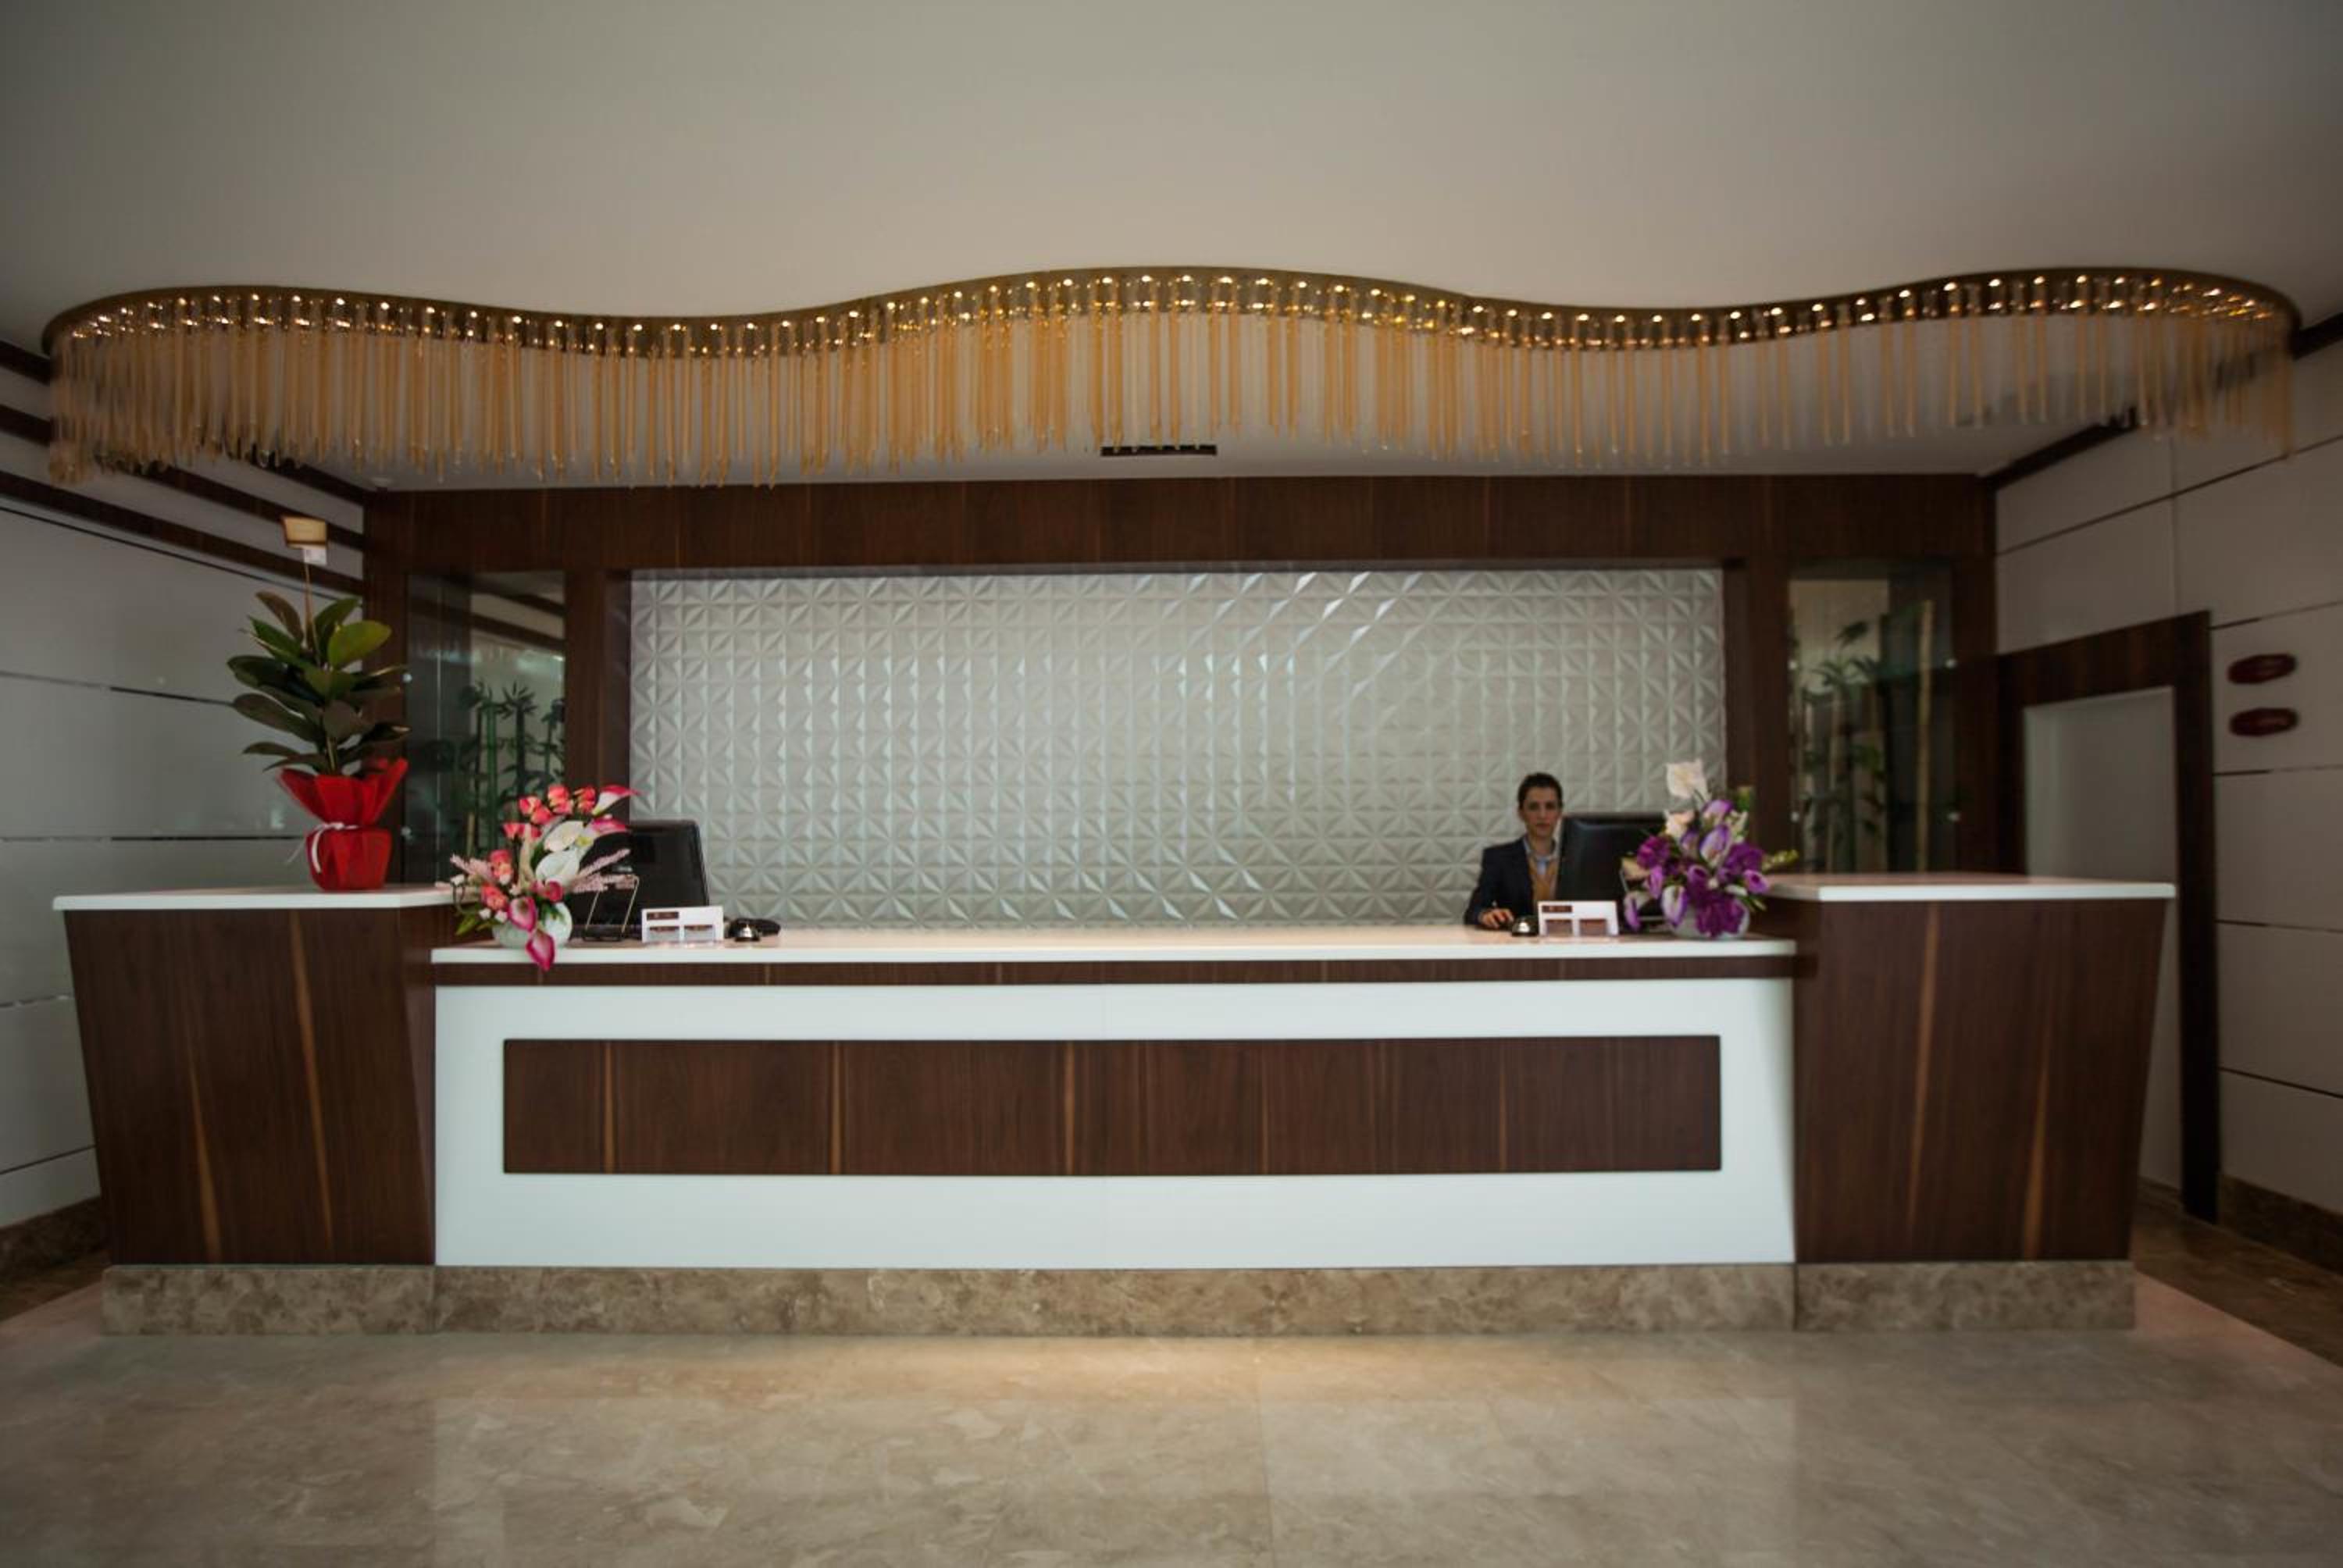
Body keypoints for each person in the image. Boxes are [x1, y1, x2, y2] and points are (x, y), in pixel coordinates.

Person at [1464, 772, 1567, 929]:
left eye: (1550, 807)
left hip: (1567, 942)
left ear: (1560, 812)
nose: (1542, 815)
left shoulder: (1575, 860)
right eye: (1534, 807)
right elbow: (1473, 911)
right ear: (1521, 813)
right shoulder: (1498, 858)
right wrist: (1485, 915)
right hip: (1517, 942)